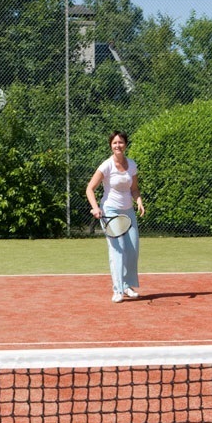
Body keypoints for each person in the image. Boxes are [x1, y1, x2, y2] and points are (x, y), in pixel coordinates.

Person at [86, 130, 146, 303]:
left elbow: (134, 189)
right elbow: (90, 189)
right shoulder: (106, 166)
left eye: (120, 142)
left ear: (125, 145)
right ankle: (118, 289)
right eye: (114, 143)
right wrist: (96, 208)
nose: (118, 145)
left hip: (128, 211)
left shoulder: (132, 165)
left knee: (132, 250)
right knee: (118, 250)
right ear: (111, 145)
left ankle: (127, 285)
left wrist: (139, 201)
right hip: (110, 211)